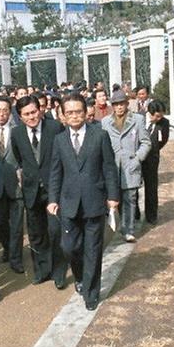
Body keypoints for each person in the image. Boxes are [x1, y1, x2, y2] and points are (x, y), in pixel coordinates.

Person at [47, 92, 119, 311]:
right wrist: (52, 199)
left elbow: (109, 168)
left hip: (94, 201)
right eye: (70, 112)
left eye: (78, 111)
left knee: (93, 250)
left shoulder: (100, 136)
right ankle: (79, 276)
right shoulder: (59, 140)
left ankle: (91, 292)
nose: (75, 116)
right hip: (68, 204)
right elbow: (55, 172)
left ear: (86, 112)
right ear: (63, 115)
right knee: (69, 247)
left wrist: (113, 197)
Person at [11, 95, 68, 288]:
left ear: (40, 110)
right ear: (20, 116)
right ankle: (42, 270)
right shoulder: (16, 133)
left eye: (34, 112)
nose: (31, 117)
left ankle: (59, 273)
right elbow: (20, 159)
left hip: (54, 189)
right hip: (31, 190)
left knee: (56, 230)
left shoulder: (55, 128)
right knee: (36, 233)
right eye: (26, 114)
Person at [101, 90, 151, 242]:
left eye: (122, 104)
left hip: (130, 165)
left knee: (130, 198)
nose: (119, 107)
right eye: (116, 104)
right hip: (113, 166)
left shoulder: (137, 120)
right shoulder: (105, 122)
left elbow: (146, 142)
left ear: (127, 104)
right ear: (113, 106)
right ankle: (118, 226)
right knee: (116, 199)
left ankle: (128, 230)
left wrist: (137, 158)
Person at [0, 96, 25, 274]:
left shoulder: (19, 131)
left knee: (16, 225)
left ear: (10, 112)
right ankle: (8, 248)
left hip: (16, 184)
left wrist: (22, 173)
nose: (2, 114)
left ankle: (16, 258)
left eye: (6, 110)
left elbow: (25, 157)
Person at [141, 101, 170, 225]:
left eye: (161, 116)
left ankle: (151, 216)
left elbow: (163, 140)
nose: (159, 118)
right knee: (134, 187)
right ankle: (135, 214)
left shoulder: (164, 123)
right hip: (136, 157)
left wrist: (154, 149)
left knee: (151, 187)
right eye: (157, 116)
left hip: (152, 158)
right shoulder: (138, 119)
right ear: (150, 113)